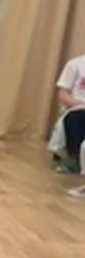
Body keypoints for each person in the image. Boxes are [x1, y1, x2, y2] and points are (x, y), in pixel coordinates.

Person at [49, 53, 85, 194]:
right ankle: (76, 158)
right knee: (76, 120)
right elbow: (63, 95)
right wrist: (80, 104)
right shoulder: (75, 64)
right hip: (79, 108)